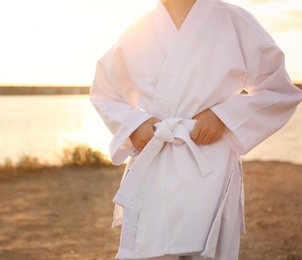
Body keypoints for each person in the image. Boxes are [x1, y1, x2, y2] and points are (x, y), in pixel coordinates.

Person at [90, 0, 302, 259]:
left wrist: (224, 116)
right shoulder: (139, 30)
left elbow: (279, 90)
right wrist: (134, 124)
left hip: (208, 160)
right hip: (155, 159)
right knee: (147, 250)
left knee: (204, 250)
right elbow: (105, 92)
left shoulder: (234, 21)